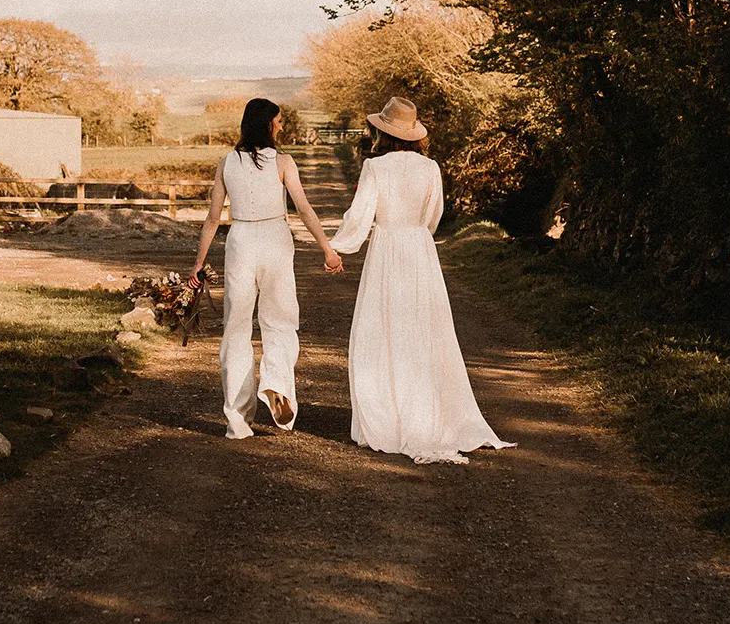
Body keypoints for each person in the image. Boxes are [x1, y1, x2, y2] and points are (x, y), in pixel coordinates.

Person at [328, 97, 514, 464]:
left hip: (386, 250)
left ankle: (387, 415)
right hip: (418, 249)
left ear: (381, 131)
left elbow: (360, 215)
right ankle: (428, 412)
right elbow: (434, 216)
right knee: (423, 330)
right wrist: (416, 235)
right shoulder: (430, 168)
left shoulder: (374, 167)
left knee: (383, 330)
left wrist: (337, 247)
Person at [190, 98, 344, 439]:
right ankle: (275, 385)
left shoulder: (227, 162)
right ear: (266, 124)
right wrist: (327, 249)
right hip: (275, 238)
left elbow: (213, 217)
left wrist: (199, 263)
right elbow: (303, 209)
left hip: (241, 240)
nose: (281, 126)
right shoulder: (284, 162)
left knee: (237, 326)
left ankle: (237, 417)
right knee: (280, 321)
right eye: (277, 121)